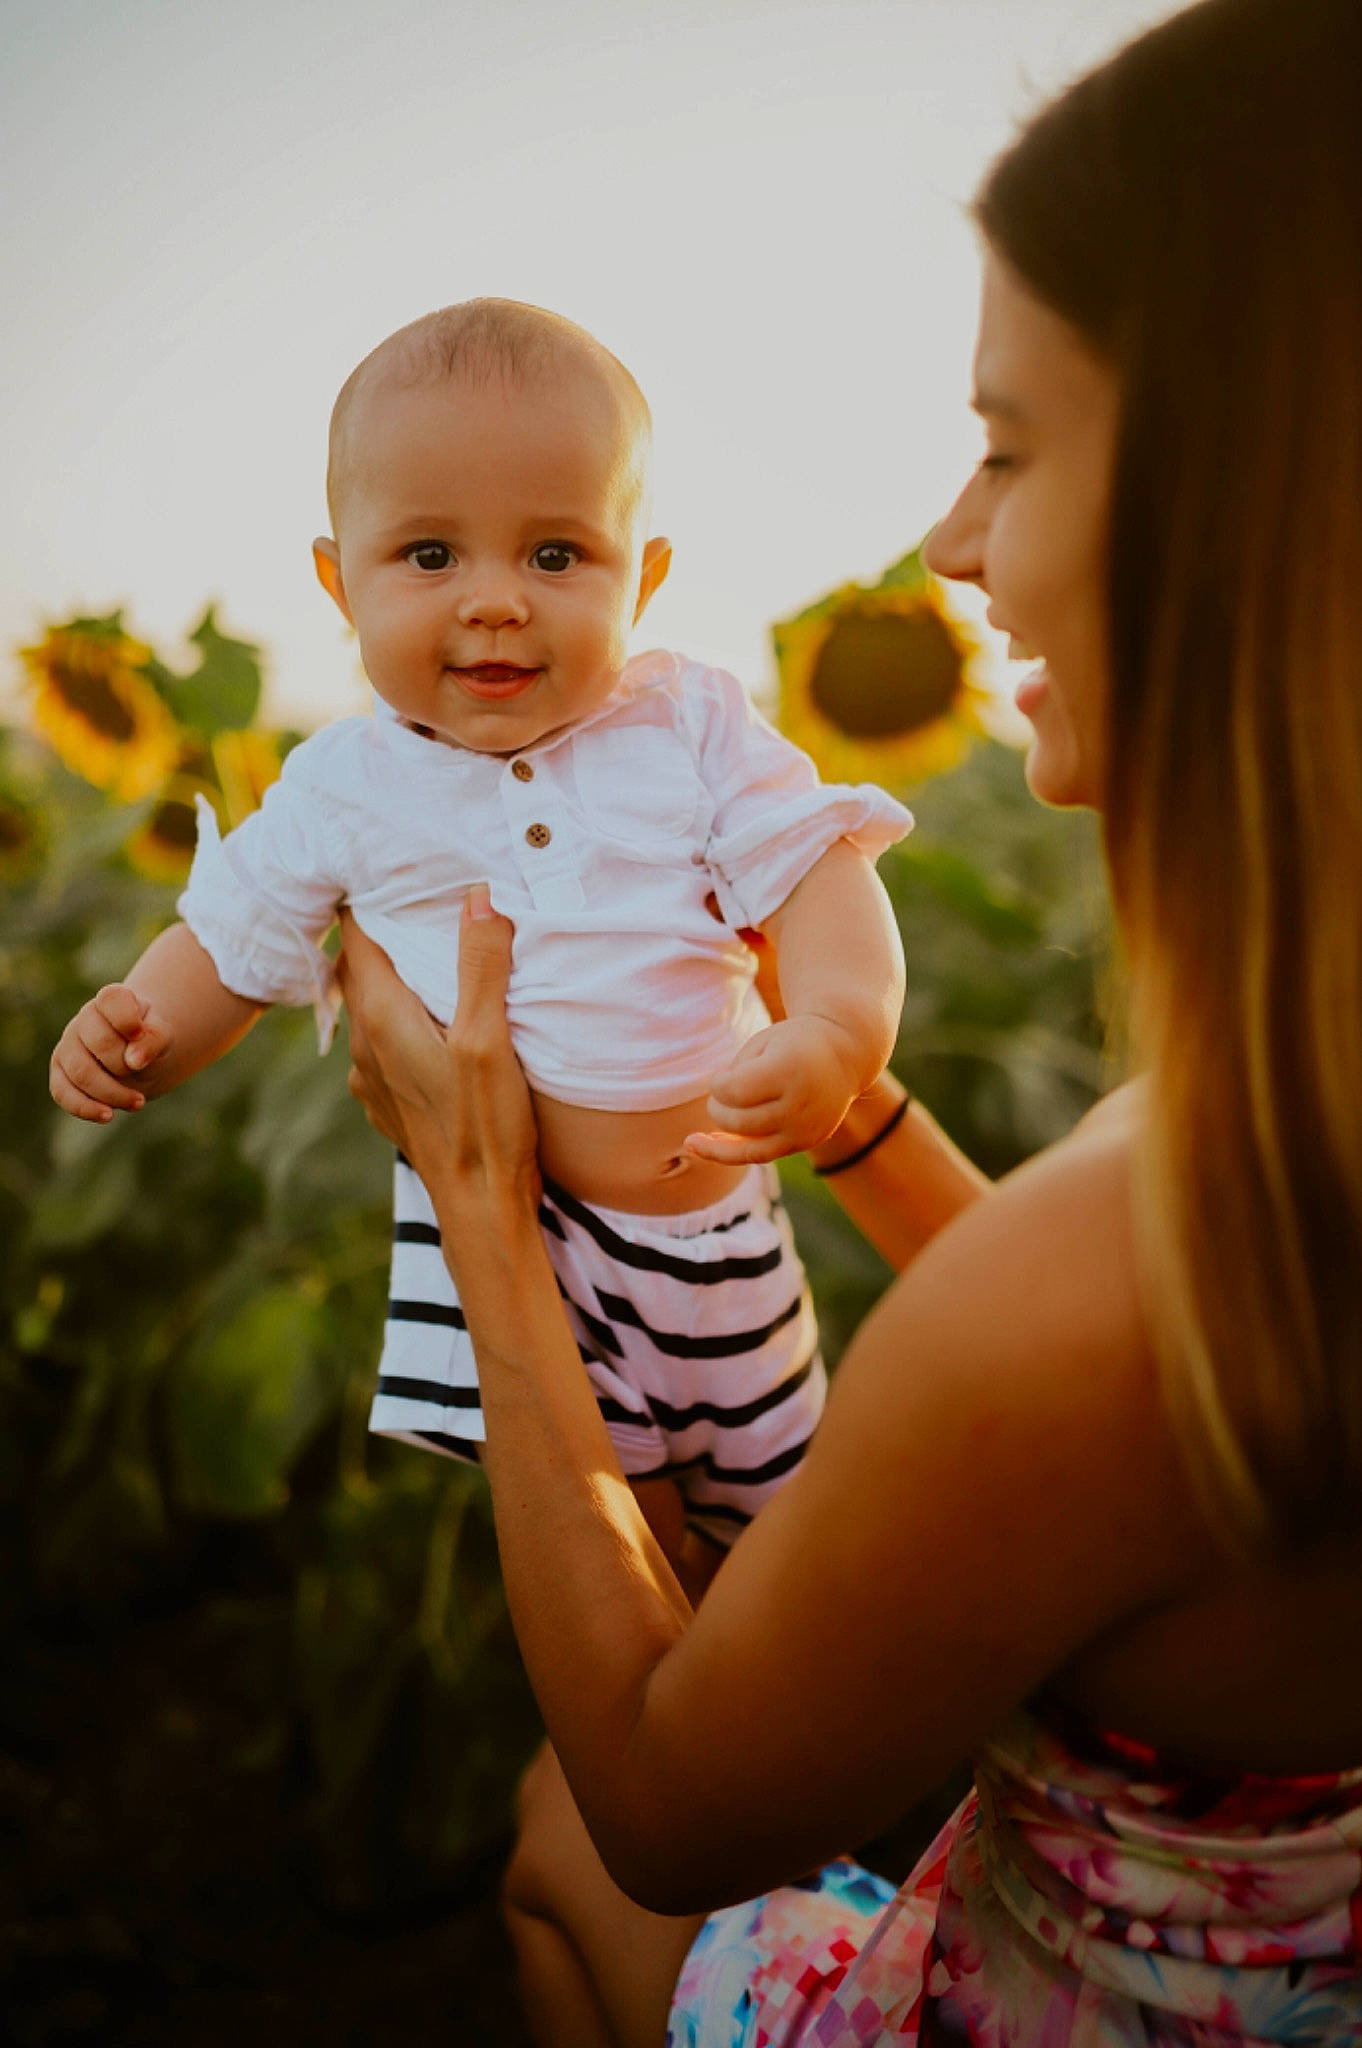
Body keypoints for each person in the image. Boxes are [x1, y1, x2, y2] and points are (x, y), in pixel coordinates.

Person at [332, 0, 1362, 2038]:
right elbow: (1178, 1384)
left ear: (1261, 486)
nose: (948, 547)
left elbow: (669, 1800)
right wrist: (864, 1117)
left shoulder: (1115, 1270)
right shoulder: (1241, 1174)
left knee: (555, 1846)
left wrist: (479, 1203)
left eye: (1009, 445)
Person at [47, 299, 912, 1584]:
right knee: (635, 1573)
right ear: (341, 583)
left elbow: (817, 874)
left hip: (725, 1245)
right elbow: (231, 935)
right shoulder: (342, 783)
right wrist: (141, 1030)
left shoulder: (689, 725)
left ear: (645, 577)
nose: (498, 603)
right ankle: (643, 1757)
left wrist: (841, 1027)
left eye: (558, 556)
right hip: (527, 1266)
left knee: (800, 1546)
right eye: (432, 555)